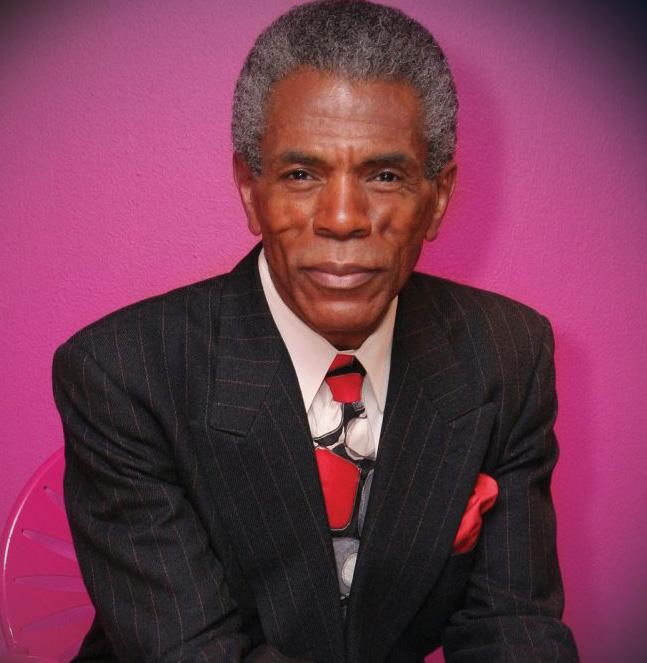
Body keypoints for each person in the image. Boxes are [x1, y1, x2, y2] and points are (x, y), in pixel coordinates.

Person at [52, 1, 578, 661]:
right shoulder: (123, 373)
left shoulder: (508, 355)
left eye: (384, 175)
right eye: (301, 175)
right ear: (250, 190)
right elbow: (193, 649)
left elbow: (511, 624)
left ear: (438, 198)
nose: (342, 218)